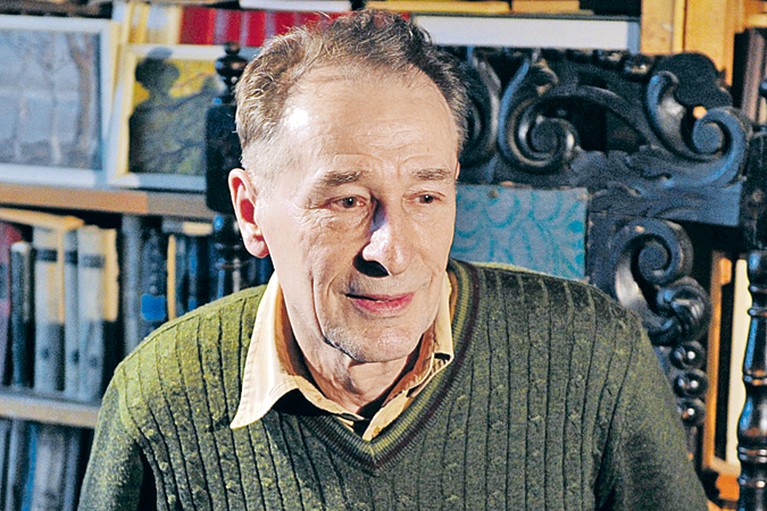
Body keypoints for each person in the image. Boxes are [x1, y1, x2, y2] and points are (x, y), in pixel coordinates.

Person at [79, 10, 708, 510]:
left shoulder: (595, 355)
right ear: (250, 212)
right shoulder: (161, 398)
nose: (392, 251)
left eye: (426, 197)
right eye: (347, 201)